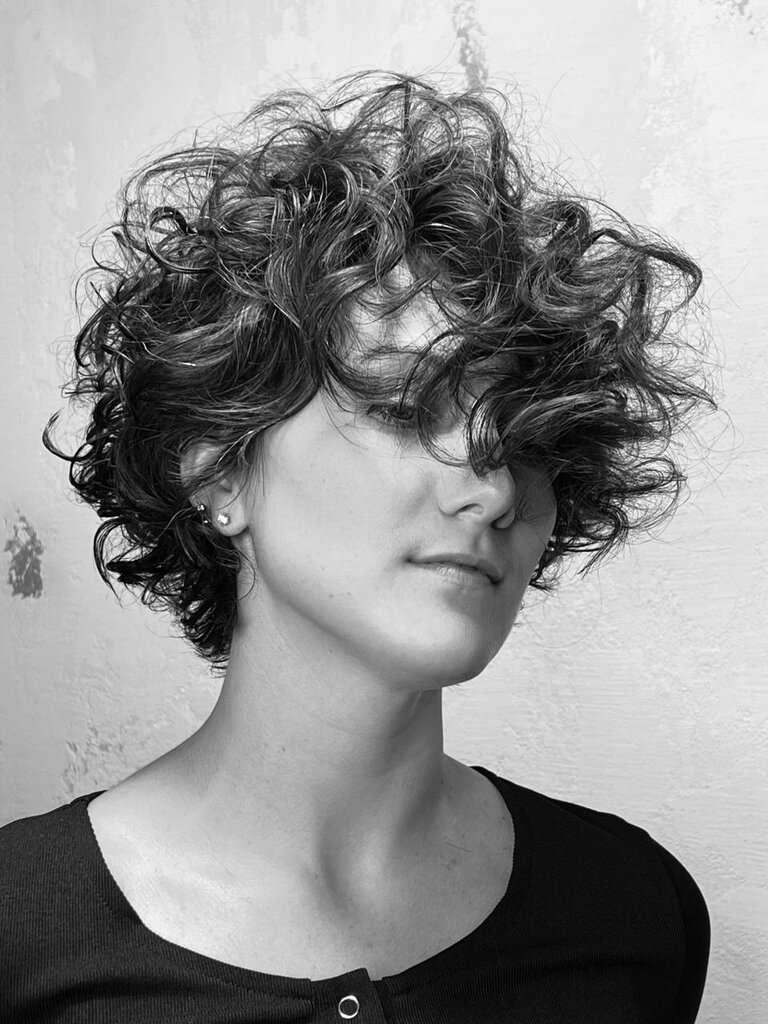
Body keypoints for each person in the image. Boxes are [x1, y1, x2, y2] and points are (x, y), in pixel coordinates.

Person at [1, 71, 715, 1022]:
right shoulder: (22, 935)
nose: (495, 489)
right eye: (405, 408)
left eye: (530, 442)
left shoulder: (629, 912)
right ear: (219, 467)